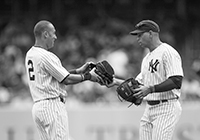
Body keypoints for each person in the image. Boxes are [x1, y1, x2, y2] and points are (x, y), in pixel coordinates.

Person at [25, 20, 102, 140]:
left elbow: (54, 76)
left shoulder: (30, 54)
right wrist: (88, 77)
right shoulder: (46, 55)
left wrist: (77, 71)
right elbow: (66, 79)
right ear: (45, 34)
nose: (55, 37)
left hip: (38, 107)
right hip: (52, 106)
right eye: (53, 33)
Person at [107, 20, 184, 140]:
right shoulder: (147, 58)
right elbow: (137, 84)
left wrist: (151, 89)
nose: (137, 38)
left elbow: (176, 80)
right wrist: (115, 82)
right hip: (149, 108)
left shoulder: (168, 52)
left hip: (166, 107)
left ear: (151, 34)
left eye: (140, 35)